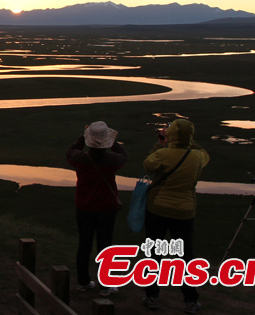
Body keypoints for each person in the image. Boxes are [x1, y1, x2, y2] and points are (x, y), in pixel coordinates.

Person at [142, 118, 209, 314]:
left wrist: (161, 143)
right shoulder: (198, 156)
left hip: (158, 209)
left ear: (171, 135)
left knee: (154, 254)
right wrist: (188, 142)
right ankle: (190, 300)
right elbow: (203, 153)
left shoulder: (163, 154)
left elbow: (148, 164)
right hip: (185, 212)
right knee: (185, 256)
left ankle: (152, 297)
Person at [65, 121, 127, 297]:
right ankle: (105, 285)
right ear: (106, 141)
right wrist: (111, 141)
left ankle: (83, 282)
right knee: (105, 245)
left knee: (84, 243)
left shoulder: (80, 159)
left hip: (84, 206)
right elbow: (123, 155)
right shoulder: (112, 161)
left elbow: (69, 152)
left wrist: (81, 139)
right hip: (107, 208)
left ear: (88, 140)